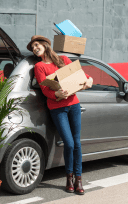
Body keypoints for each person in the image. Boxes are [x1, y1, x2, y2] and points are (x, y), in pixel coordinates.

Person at [27, 35, 93, 195]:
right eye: (33, 47)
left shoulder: (62, 59)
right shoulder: (39, 66)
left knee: (77, 143)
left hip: (74, 105)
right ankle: (69, 177)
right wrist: (56, 93)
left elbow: (80, 75)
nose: (35, 48)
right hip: (57, 108)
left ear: (45, 44)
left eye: (37, 45)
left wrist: (89, 80)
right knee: (69, 144)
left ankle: (78, 179)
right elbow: (45, 90)